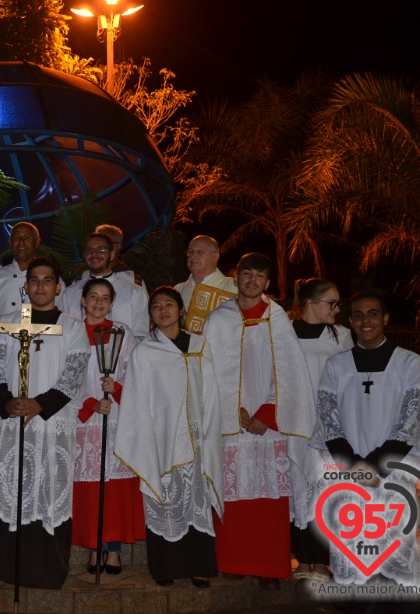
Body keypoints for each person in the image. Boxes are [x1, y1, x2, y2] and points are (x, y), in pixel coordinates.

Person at [0, 257, 90, 589]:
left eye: (47, 280)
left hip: (50, 426)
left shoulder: (73, 326)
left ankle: (43, 573)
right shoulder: (7, 323)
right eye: (34, 280)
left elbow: (75, 374)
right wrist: (8, 402)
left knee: (46, 489)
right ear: (25, 287)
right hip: (10, 423)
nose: (40, 286)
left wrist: (40, 404)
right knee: (3, 490)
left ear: (58, 286)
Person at [202, 253, 314, 590]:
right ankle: (234, 561)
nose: (252, 280)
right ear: (235, 278)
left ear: (268, 283)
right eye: (246, 273)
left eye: (260, 275)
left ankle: (269, 566)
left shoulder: (278, 320)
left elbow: (292, 375)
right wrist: (229, 410)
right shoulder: (218, 319)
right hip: (230, 422)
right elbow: (207, 370)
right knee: (233, 494)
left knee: (269, 497)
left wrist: (267, 414)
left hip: (269, 424)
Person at [315, 290, 420, 588]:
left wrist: (374, 467)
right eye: (359, 315)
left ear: (386, 319)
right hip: (350, 473)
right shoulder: (336, 366)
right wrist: (355, 466)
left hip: (391, 472)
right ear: (350, 321)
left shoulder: (409, 363)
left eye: (373, 313)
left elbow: (411, 422)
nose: (366, 321)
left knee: (394, 547)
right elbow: (328, 421)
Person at [116, 286, 223, 588]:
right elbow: (137, 399)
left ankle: (199, 566)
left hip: (196, 438)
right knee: (165, 500)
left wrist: (210, 429)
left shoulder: (200, 346)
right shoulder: (145, 352)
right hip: (161, 439)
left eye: (169, 305)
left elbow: (212, 392)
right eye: (156, 307)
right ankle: (166, 567)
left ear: (181, 310)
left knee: (196, 501)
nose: (163, 311)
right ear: (150, 315)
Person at [70, 279, 143, 576]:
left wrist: (117, 388)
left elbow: (136, 374)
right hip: (85, 419)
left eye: (104, 298)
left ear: (112, 303)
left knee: (113, 488)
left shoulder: (122, 332)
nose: (98, 303)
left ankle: (113, 550)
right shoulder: (73, 332)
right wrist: (89, 405)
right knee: (90, 487)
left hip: (116, 417)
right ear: (83, 301)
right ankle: (92, 547)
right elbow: (65, 377)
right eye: (93, 297)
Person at [289, 278, 354, 581]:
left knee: (325, 492)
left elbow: (352, 381)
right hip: (294, 424)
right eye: (332, 303)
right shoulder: (285, 333)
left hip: (330, 426)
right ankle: (302, 561)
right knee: (298, 490)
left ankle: (322, 562)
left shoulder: (340, 335)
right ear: (310, 304)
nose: (337, 309)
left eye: (338, 303)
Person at [59, 233, 150, 339]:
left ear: (112, 255)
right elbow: (62, 332)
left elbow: (141, 335)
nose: (94, 254)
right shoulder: (71, 292)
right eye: (89, 250)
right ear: (84, 256)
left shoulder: (134, 292)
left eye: (101, 250)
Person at [0, 222, 61, 320]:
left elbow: (62, 313)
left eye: (27, 237)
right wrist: (1, 331)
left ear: (37, 241)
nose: (21, 242)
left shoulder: (52, 279)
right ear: (10, 242)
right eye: (17, 237)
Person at [174, 236, 236, 333]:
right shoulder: (178, 289)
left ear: (216, 256)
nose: (193, 256)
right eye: (190, 252)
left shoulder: (234, 286)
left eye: (200, 252)